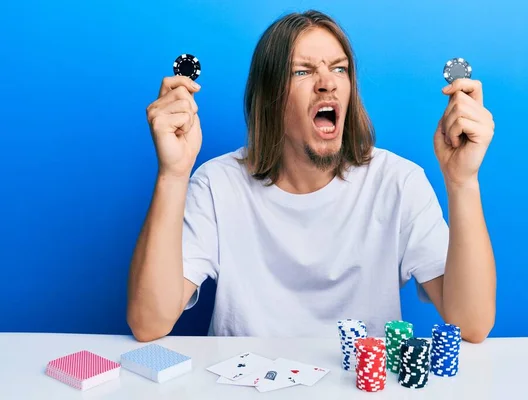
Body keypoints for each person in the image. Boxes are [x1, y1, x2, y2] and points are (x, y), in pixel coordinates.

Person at [126, 10, 496, 343]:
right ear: (269, 98)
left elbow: (472, 323)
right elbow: (148, 323)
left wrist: (462, 181)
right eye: (302, 71)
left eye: (339, 68)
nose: (327, 83)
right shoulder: (216, 184)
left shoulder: (398, 182)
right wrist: (173, 174)